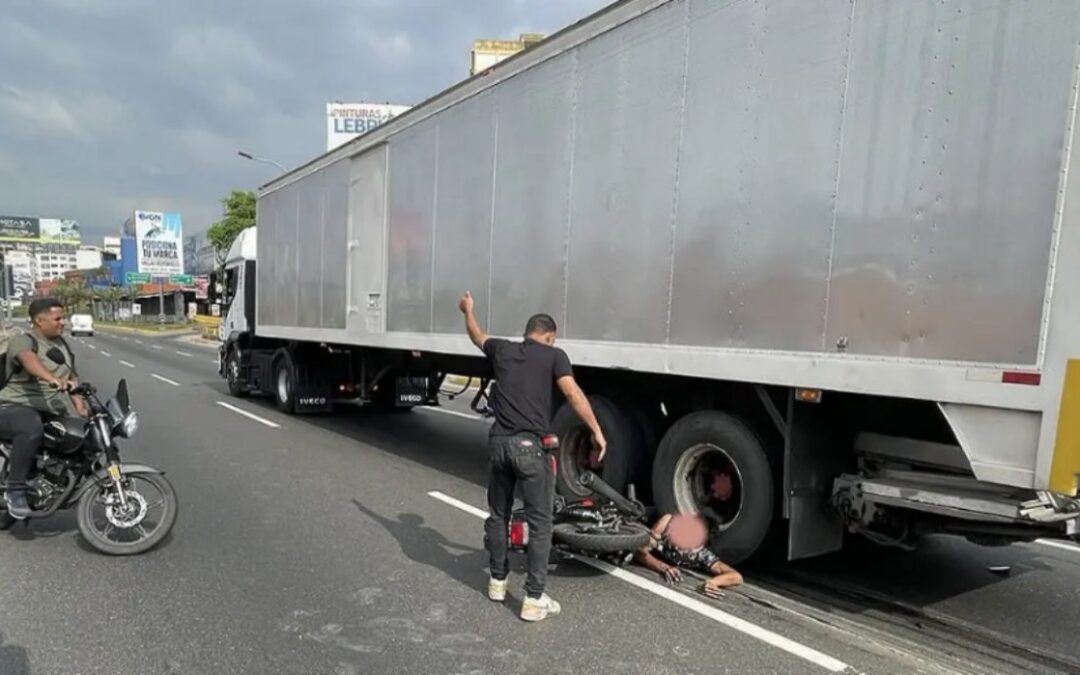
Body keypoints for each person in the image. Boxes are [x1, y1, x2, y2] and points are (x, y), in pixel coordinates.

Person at [459, 291, 607, 622]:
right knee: (541, 523)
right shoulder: (555, 356)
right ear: (550, 337)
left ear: (527, 333)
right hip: (529, 447)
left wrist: (468, 310)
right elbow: (572, 393)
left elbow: (476, 336)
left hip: (498, 445)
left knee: (499, 515)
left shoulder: (503, 349)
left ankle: (497, 581)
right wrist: (596, 429)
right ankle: (533, 598)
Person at [0, 297, 84, 520]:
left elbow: (71, 376)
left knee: (80, 435)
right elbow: (29, 361)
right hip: (11, 406)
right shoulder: (24, 340)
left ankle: (52, 484)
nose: (62, 322)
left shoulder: (61, 345)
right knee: (29, 426)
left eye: (62, 317)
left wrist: (82, 407)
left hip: (49, 410)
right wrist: (51, 379)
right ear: (39, 320)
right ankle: (15, 490)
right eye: (57, 318)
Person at [635, 513, 743, 598]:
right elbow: (639, 551)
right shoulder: (667, 523)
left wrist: (713, 582)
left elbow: (736, 577)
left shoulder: (700, 554)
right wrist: (662, 567)